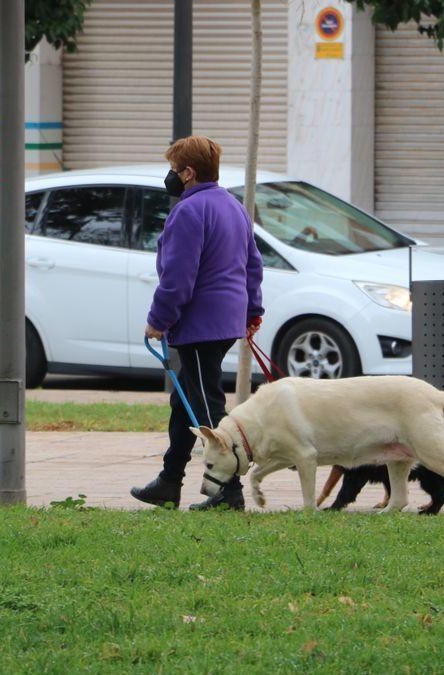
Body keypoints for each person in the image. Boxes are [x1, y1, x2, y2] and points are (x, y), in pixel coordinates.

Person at [130, 136, 264, 511]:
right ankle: (169, 481)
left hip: (199, 324)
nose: (171, 177)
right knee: (185, 401)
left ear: (188, 173)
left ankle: (229, 491)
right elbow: (252, 264)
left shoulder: (189, 212)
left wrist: (158, 320)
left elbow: (177, 277)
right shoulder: (233, 207)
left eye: (174, 170)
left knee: (207, 408)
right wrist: (253, 311)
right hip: (225, 321)